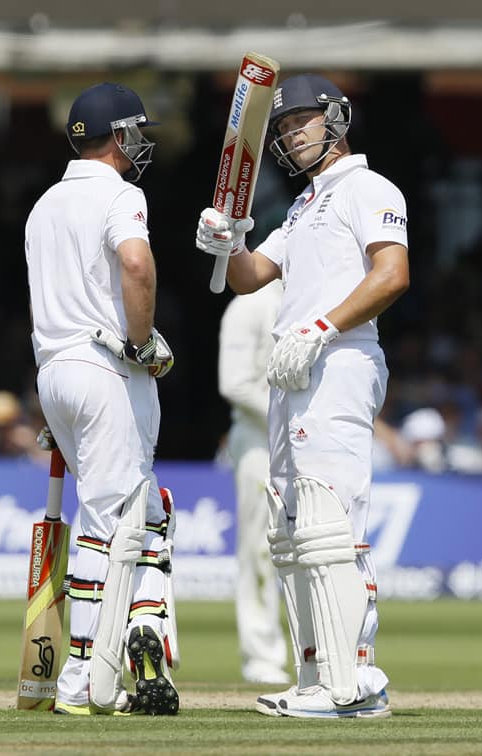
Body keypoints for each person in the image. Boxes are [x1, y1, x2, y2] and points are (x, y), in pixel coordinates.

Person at [196, 73, 409, 719]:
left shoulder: (368, 188)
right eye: (284, 127)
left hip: (338, 361)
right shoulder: (302, 205)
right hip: (296, 371)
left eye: (302, 121)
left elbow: (393, 274)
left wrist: (321, 328)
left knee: (332, 525)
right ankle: (318, 678)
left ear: (337, 119)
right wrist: (227, 236)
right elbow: (249, 277)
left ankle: (357, 683)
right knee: (293, 532)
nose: (291, 133)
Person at [25, 82, 179, 716]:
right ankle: (84, 677)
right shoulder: (121, 193)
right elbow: (136, 265)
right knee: (111, 522)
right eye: (134, 133)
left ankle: (130, 637)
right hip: (105, 367)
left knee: (144, 514)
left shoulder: (42, 205)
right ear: (115, 137)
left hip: (54, 373)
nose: (139, 145)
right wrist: (140, 343)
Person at [218, 279, 290, 685]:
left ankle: (317, 651)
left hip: (307, 444)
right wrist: (290, 418)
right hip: (260, 443)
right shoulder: (251, 304)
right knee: (260, 549)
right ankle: (262, 655)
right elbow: (235, 383)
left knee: (313, 549)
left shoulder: (316, 293)